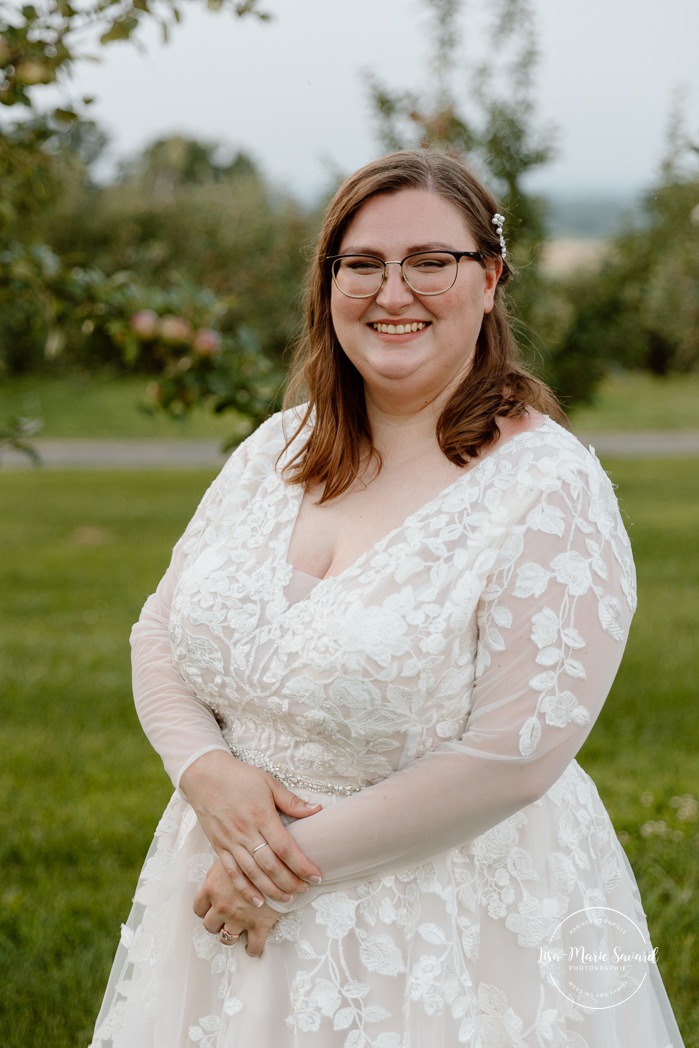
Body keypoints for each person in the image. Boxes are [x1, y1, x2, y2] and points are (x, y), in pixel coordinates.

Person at [90, 150, 685, 1048]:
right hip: (219, 893)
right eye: (361, 263)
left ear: (488, 281)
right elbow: (159, 633)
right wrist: (204, 773)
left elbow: (515, 757)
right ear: (327, 281)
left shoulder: (546, 486)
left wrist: (268, 871)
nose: (391, 291)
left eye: (429, 262)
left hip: (435, 932)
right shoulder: (276, 449)